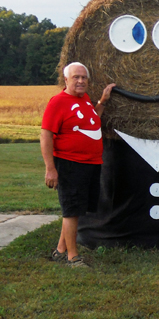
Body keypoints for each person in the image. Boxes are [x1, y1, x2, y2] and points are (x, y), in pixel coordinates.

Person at [40, 62, 115, 267]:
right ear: (66, 80)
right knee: (71, 210)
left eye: (84, 77)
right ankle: (73, 257)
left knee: (78, 208)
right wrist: (50, 168)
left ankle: (61, 250)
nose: (81, 81)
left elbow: (92, 121)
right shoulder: (58, 102)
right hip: (70, 164)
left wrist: (102, 101)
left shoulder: (85, 101)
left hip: (91, 164)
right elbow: (46, 135)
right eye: (76, 77)